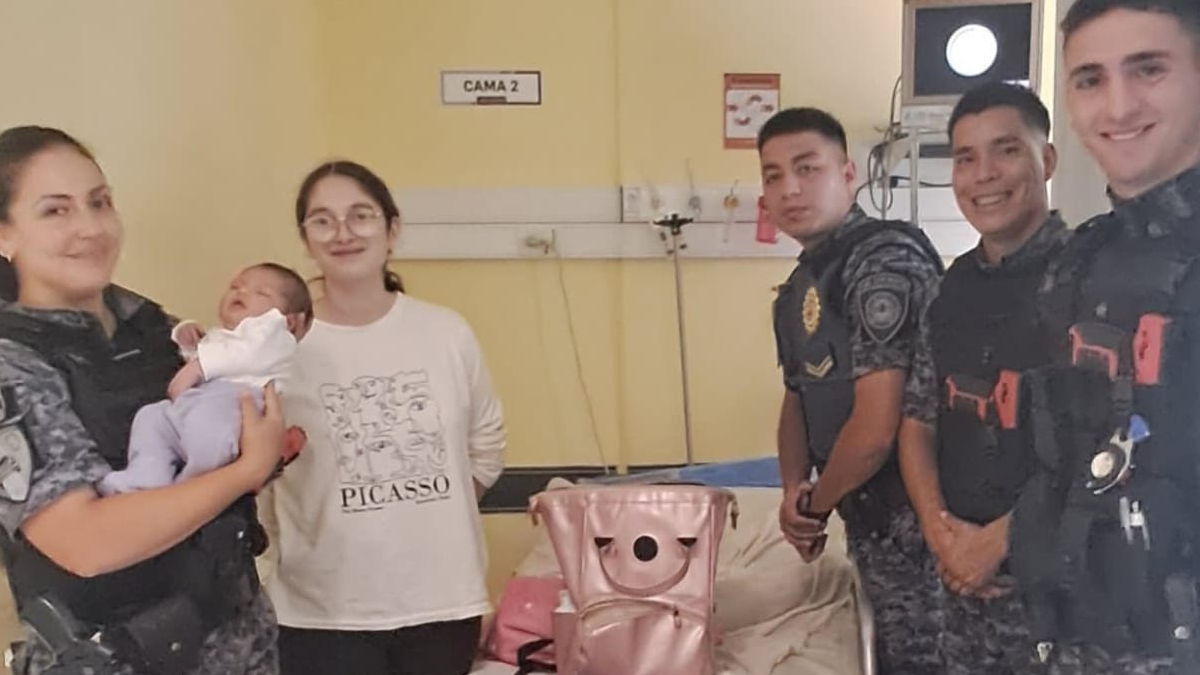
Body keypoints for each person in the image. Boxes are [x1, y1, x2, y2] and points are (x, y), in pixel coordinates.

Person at [0, 125, 286, 675]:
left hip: (240, 647)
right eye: (55, 210)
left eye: (99, 202)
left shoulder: (154, 328)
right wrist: (247, 469)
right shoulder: (14, 363)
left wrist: (264, 440)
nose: (90, 227)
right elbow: (84, 542)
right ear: (5, 236)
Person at [1007, 1, 1200, 673]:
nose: (1118, 105)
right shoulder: (1074, 265)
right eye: (1090, 79)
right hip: (1083, 638)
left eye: (1148, 69)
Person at [260, 160, 506, 675]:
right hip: (321, 614)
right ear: (305, 239)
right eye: (323, 220)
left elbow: (486, 446)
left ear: (392, 230)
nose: (343, 232)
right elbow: (256, 467)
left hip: (441, 606)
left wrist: (421, 519)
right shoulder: (277, 346)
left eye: (361, 215)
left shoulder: (445, 333)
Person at [762, 107, 945, 673]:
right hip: (871, 523)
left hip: (926, 524)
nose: (789, 189)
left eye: (807, 168)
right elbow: (799, 396)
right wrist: (792, 490)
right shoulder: (800, 288)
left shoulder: (883, 263)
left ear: (847, 174)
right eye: (773, 176)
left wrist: (815, 507)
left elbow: (874, 432)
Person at [898, 81, 1067, 674]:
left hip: (1064, 599)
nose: (984, 174)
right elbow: (918, 421)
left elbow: (1112, 446)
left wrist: (999, 541)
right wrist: (939, 532)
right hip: (962, 591)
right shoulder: (949, 291)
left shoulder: (1088, 283)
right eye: (965, 158)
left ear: (1047, 160)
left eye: (1007, 150)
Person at [99, 263, 312, 495]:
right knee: (151, 417)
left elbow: (242, 356)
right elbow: (204, 360)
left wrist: (199, 366)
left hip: (231, 408)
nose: (241, 292)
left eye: (261, 293)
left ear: (290, 321)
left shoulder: (277, 338)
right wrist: (188, 341)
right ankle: (146, 476)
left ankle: (189, 486)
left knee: (207, 432)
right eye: (235, 286)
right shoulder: (222, 338)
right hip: (194, 405)